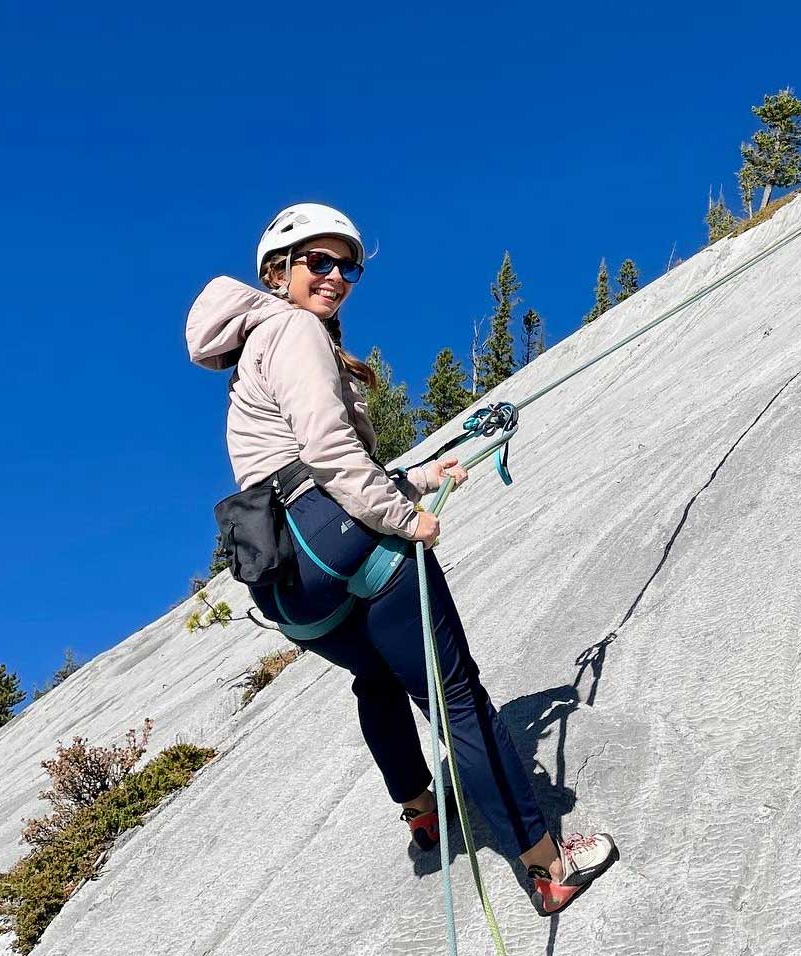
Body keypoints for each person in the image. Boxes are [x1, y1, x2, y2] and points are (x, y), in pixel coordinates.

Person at [185, 202, 617, 916]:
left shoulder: (249, 350)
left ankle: (423, 814)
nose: (335, 277)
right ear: (276, 273)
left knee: (379, 685)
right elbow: (328, 453)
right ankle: (547, 866)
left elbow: (298, 468)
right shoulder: (291, 328)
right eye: (317, 262)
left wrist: (420, 476)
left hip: (289, 577)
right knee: (456, 701)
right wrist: (402, 516)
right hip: (347, 538)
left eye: (345, 266)